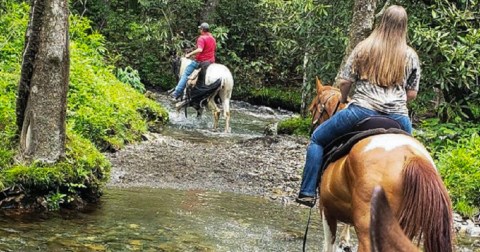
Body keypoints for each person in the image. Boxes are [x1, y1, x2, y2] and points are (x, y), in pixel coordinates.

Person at [296, 5, 421, 207]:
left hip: (361, 111)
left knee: (317, 139)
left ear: (382, 23)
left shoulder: (364, 47)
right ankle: (415, 204)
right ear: (404, 26)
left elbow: (345, 82)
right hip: (398, 118)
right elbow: (412, 93)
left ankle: (307, 192)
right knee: (417, 160)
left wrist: (343, 98)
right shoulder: (411, 56)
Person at [170, 22, 217, 100]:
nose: (199, 30)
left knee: (186, 73)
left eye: (200, 29)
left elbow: (200, 49)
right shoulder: (213, 38)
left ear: (202, 29)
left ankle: (176, 93)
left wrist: (189, 54)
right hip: (211, 62)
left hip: (201, 62)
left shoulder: (201, 38)